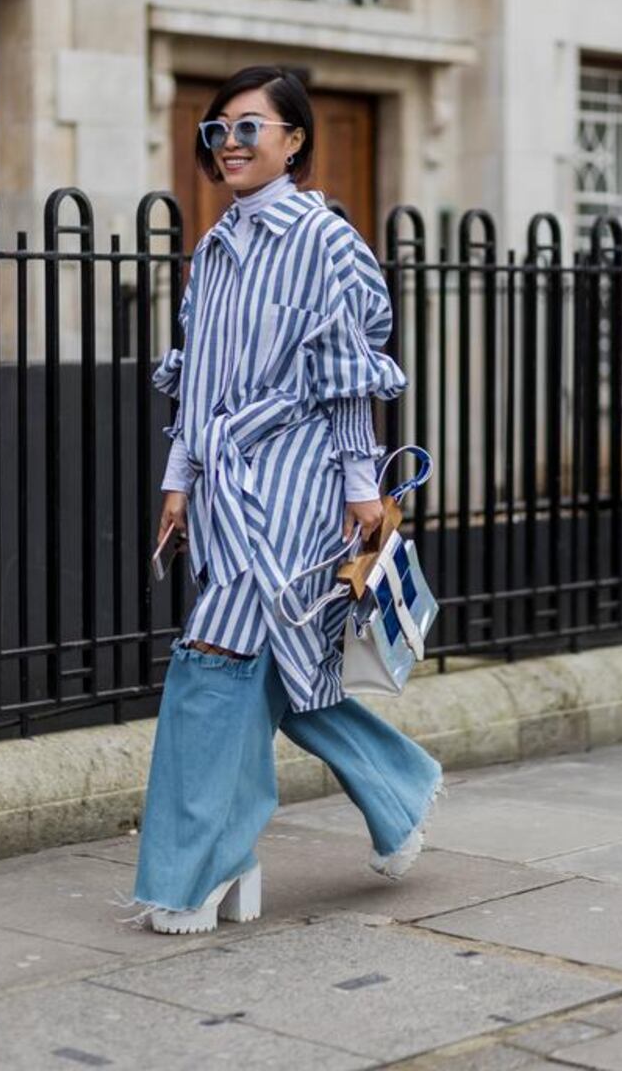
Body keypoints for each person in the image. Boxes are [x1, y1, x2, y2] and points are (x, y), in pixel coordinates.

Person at [128, 65, 443, 934]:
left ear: (294, 139)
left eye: (249, 128)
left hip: (302, 490)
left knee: (213, 665)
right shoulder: (217, 246)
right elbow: (198, 379)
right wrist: (178, 481)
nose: (229, 145)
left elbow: (348, 377)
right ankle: (402, 794)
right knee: (284, 671)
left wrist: (359, 486)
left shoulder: (326, 240)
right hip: (227, 493)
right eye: (217, 130)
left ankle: (197, 872)